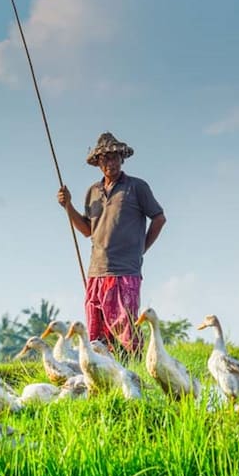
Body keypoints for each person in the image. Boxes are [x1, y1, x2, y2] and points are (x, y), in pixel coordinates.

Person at [57, 132, 166, 360]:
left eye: (115, 157)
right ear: (98, 162)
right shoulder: (93, 192)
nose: (111, 162)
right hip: (97, 270)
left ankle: (134, 366)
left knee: (126, 326)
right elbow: (87, 230)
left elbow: (159, 219)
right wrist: (68, 206)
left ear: (122, 159)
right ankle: (107, 369)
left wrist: (142, 249)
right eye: (105, 158)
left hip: (125, 270)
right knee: (98, 333)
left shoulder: (136, 187)